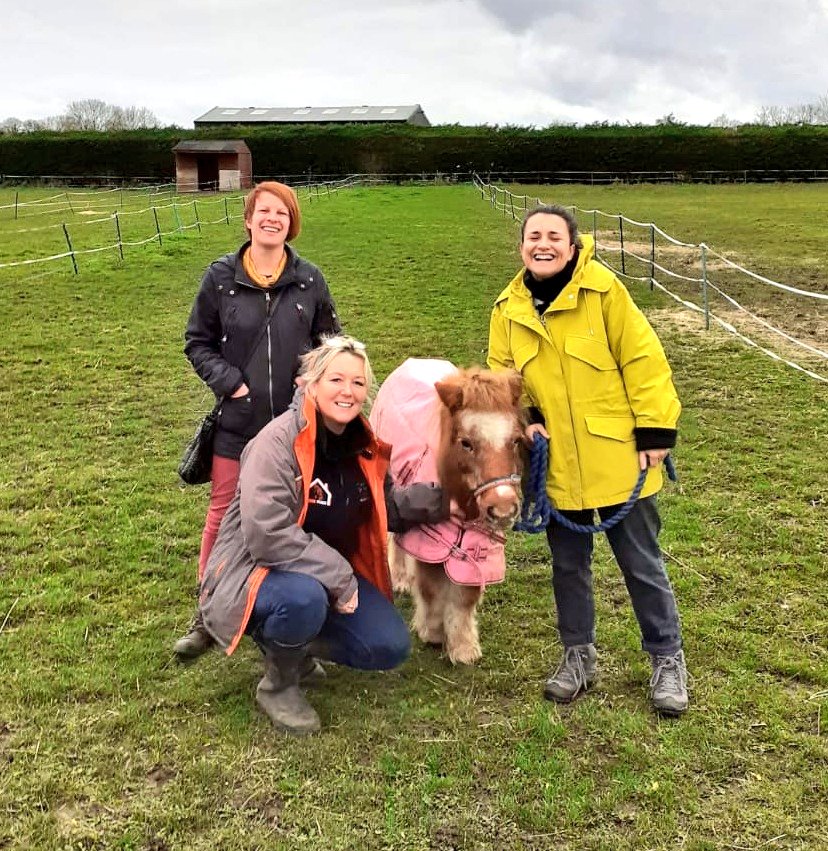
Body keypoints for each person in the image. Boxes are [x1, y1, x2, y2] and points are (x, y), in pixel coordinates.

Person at [487, 204, 688, 716]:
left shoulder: (604, 292)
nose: (543, 244)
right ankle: (578, 656)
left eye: (554, 235)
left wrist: (656, 428)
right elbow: (502, 377)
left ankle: (667, 659)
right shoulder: (506, 309)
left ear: (573, 245)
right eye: (534, 236)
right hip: (554, 465)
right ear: (522, 247)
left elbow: (643, 359)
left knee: (641, 564)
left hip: (618, 457)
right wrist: (524, 416)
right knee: (567, 567)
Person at [198, 336, 448, 735]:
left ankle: (291, 646)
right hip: (255, 573)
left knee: (389, 645)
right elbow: (267, 534)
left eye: (359, 383)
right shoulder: (275, 443)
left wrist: (450, 496)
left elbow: (387, 508)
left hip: (323, 577)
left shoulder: (360, 445)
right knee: (303, 598)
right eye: (336, 379)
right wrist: (340, 576)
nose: (348, 391)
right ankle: (278, 685)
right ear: (310, 383)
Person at [174, 181, 340, 662]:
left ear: (292, 224)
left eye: (282, 213)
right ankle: (207, 612)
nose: (272, 219)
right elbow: (196, 342)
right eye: (263, 211)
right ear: (248, 219)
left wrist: (313, 389)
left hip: (294, 429)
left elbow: (330, 344)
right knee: (223, 516)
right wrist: (231, 383)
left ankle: (299, 615)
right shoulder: (220, 278)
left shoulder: (309, 280)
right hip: (237, 424)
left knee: (300, 516)